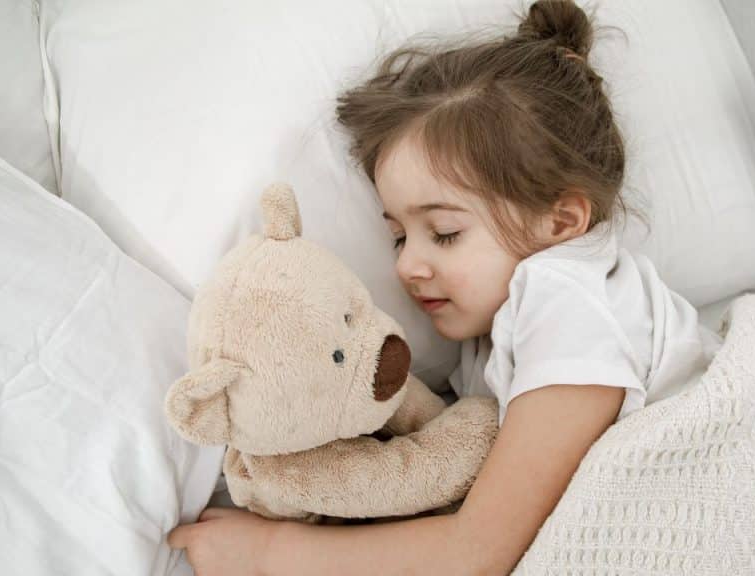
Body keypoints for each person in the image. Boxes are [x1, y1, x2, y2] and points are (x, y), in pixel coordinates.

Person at [168, 1, 719, 574]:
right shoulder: (490, 334)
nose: (408, 267)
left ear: (561, 223)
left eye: (446, 233)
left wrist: (267, 554)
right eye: (399, 238)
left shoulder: (571, 302)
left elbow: (476, 551)